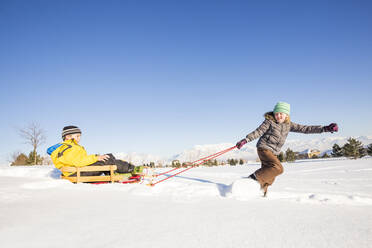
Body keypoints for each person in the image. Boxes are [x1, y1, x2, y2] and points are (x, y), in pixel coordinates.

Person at [235, 102, 338, 196]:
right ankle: (251, 179)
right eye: (276, 113)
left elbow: (305, 129)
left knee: (269, 176)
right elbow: (258, 132)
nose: (278, 116)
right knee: (278, 168)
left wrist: (325, 128)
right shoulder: (269, 122)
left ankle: (260, 192)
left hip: (273, 152)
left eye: (281, 113)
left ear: (286, 115)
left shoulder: (288, 125)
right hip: (264, 148)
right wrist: (246, 140)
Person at [47, 125, 140, 177]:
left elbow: (79, 160)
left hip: (79, 171)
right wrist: (96, 158)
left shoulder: (71, 146)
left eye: (80, 136)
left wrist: (96, 157)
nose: (79, 138)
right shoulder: (67, 147)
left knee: (108, 156)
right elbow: (78, 161)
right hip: (76, 173)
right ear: (67, 136)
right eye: (77, 136)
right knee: (106, 160)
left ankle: (114, 173)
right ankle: (131, 169)